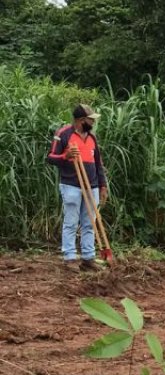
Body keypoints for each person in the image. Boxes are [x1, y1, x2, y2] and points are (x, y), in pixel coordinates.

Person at [46, 104, 108, 272]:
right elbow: (50, 158)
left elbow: (98, 164)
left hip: (92, 186)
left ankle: (88, 258)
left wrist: (102, 185)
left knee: (90, 223)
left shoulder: (92, 138)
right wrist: (65, 156)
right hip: (71, 185)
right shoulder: (63, 134)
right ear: (81, 120)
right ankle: (69, 258)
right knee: (71, 222)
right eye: (90, 120)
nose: (93, 123)